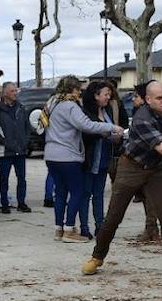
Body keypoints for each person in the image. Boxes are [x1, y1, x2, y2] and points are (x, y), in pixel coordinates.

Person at [83, 80, 162, 287]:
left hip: (155, 171)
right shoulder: (142, 118)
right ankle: (97, 257)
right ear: (148, 100)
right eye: (159, 98)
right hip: (130, 167)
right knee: (113, 217)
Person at [42, 77, 119, 242]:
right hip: (68, 156)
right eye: (78, 89)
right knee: (77, 192)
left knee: (60, 193)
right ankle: (70, 230)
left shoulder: (51, 103)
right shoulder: (70, 106)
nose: (80, 93)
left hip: (51, 155)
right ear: (73, 89)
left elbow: (39, 126)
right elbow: (87, 125)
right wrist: (111, 127)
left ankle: (59, 229)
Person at [78, 80, 120, 240]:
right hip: (90, 158)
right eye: (105, 94)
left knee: (99, 194)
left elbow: (111, 129)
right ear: (95, 95)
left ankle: (100, 226)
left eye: (109, 94)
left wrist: (115, 137)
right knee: (85, 193)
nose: (108, 97)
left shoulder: (107, 110)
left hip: (104, 158)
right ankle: (84, 226)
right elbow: (87, 132)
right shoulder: (85, 112)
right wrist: (104, 133)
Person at [0, 81, 31, 214]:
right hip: (4, 151)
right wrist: (4, 142)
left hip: (20, 150)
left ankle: (21, 203)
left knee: (22, 178)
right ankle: (4, 204)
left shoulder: (21, 107)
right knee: (4, 178)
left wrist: (25, 141)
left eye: (16, 91)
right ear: (5, 92)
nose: (15, 93)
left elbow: (27, 126)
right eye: (12, 91)